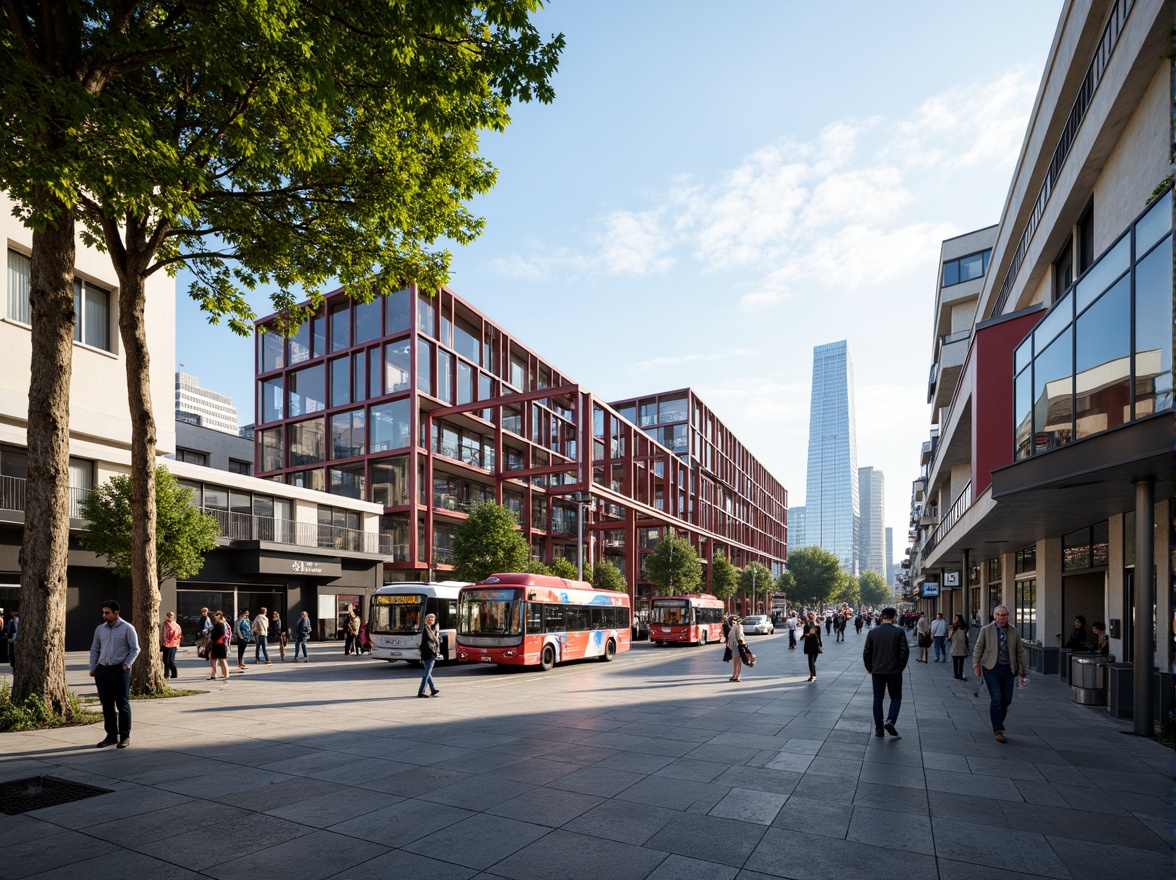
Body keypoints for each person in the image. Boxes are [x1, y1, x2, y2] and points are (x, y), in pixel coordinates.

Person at [973, 605, 1028, 743]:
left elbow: (1020, 651)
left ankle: (997, 721)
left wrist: (1023, 670)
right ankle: (998, 729)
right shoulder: (986, 630)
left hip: (1009, 670)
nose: (1003, 617)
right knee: (996, 698)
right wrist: (976, 664)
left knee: (1006, 700)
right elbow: (979, 647)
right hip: (991, 668)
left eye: (1005, 615)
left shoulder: (1014, 631)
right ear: (994, 616)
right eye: (1000, 615)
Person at [89, 600, 140, 749]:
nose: (104, 615)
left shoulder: (127, 628)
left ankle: (125, 736)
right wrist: (93, 667)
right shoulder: (100, 629)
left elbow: (135, 648)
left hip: (120, 670)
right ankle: (111, 735)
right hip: (103, 670)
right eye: (103, 612)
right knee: (106, 705)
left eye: (107, 613)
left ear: (116, 613)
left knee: (122, 704)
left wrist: (127, 664)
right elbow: (95, 649)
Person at [863, 607, 909, 737]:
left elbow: (867, 652)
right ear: (894, 617)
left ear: (882, 617)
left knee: (878, 698)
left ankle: (879, 729)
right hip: (894, 670)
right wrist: (900, 667)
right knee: (896, 697)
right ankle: (890, 720)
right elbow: (904, 652)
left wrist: (869, 667)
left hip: (877, 670)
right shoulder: (899, 632)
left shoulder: (873, 632)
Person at [417, 612, 442, 697]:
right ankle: (421, 691)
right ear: (426, 620)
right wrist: (437, 639)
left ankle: (433, 689)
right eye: (429, 619)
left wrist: (438, 638)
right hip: (429, 653)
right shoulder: (426, 629)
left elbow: (435, 639)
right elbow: (432, 639)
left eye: (432, 619)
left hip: (426, 653)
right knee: (427, 673)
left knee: (428, 672)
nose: (431, 620)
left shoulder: (431, 629)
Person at [208, 610, 231, 682]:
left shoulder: (219, 625)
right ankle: (223, 674)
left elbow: (216, 635)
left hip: (218, 644)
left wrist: (212, 639)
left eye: (216, 616)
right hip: (221, 644)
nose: (215, 618)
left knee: (216, 659)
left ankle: (215, 674)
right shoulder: (223, 624)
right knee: (220, 659)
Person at [801, 612, 822, 681]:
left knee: (813, 661)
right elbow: (804, 634)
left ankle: (814, 674)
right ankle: (812, 675)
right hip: (809, 644)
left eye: (811, 615)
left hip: (815, 644)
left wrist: (820, 646)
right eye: (809, 615)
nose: (810, 616)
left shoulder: (817, 625)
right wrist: (803, 636)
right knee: (811, 661)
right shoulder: (806, 625)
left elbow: (819, 636)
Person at [949, 614, 970, 680]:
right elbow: (966, 637)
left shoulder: (953, 627)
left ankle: (956, 675)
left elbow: (949, 637)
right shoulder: (965, 627)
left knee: (955, 662)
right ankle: (960, 674)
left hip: (955, 646)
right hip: (962, 646)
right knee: (961, 661)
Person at [162, 611, 182, 679]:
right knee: (165, 660)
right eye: (168, 615)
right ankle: (166, 674)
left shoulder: (176, 625)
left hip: (173, 644)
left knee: (170, 660)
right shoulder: (164, 624)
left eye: (171, 615)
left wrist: (177, 642)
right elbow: (162, 633)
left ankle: (174, 673)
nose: (170, 617)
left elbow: (179, 634)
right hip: (166, 644)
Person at [726, 615, 746, 682]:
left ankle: (738, 675)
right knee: (735, 660)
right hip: (733, 645)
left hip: (738, 645)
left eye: (734, 620)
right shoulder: (733, 627)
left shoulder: (739, 626)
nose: (733, 621)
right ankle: (734, 674)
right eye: (732, 620)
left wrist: (742, 643)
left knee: (738, 660)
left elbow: (740, 635)